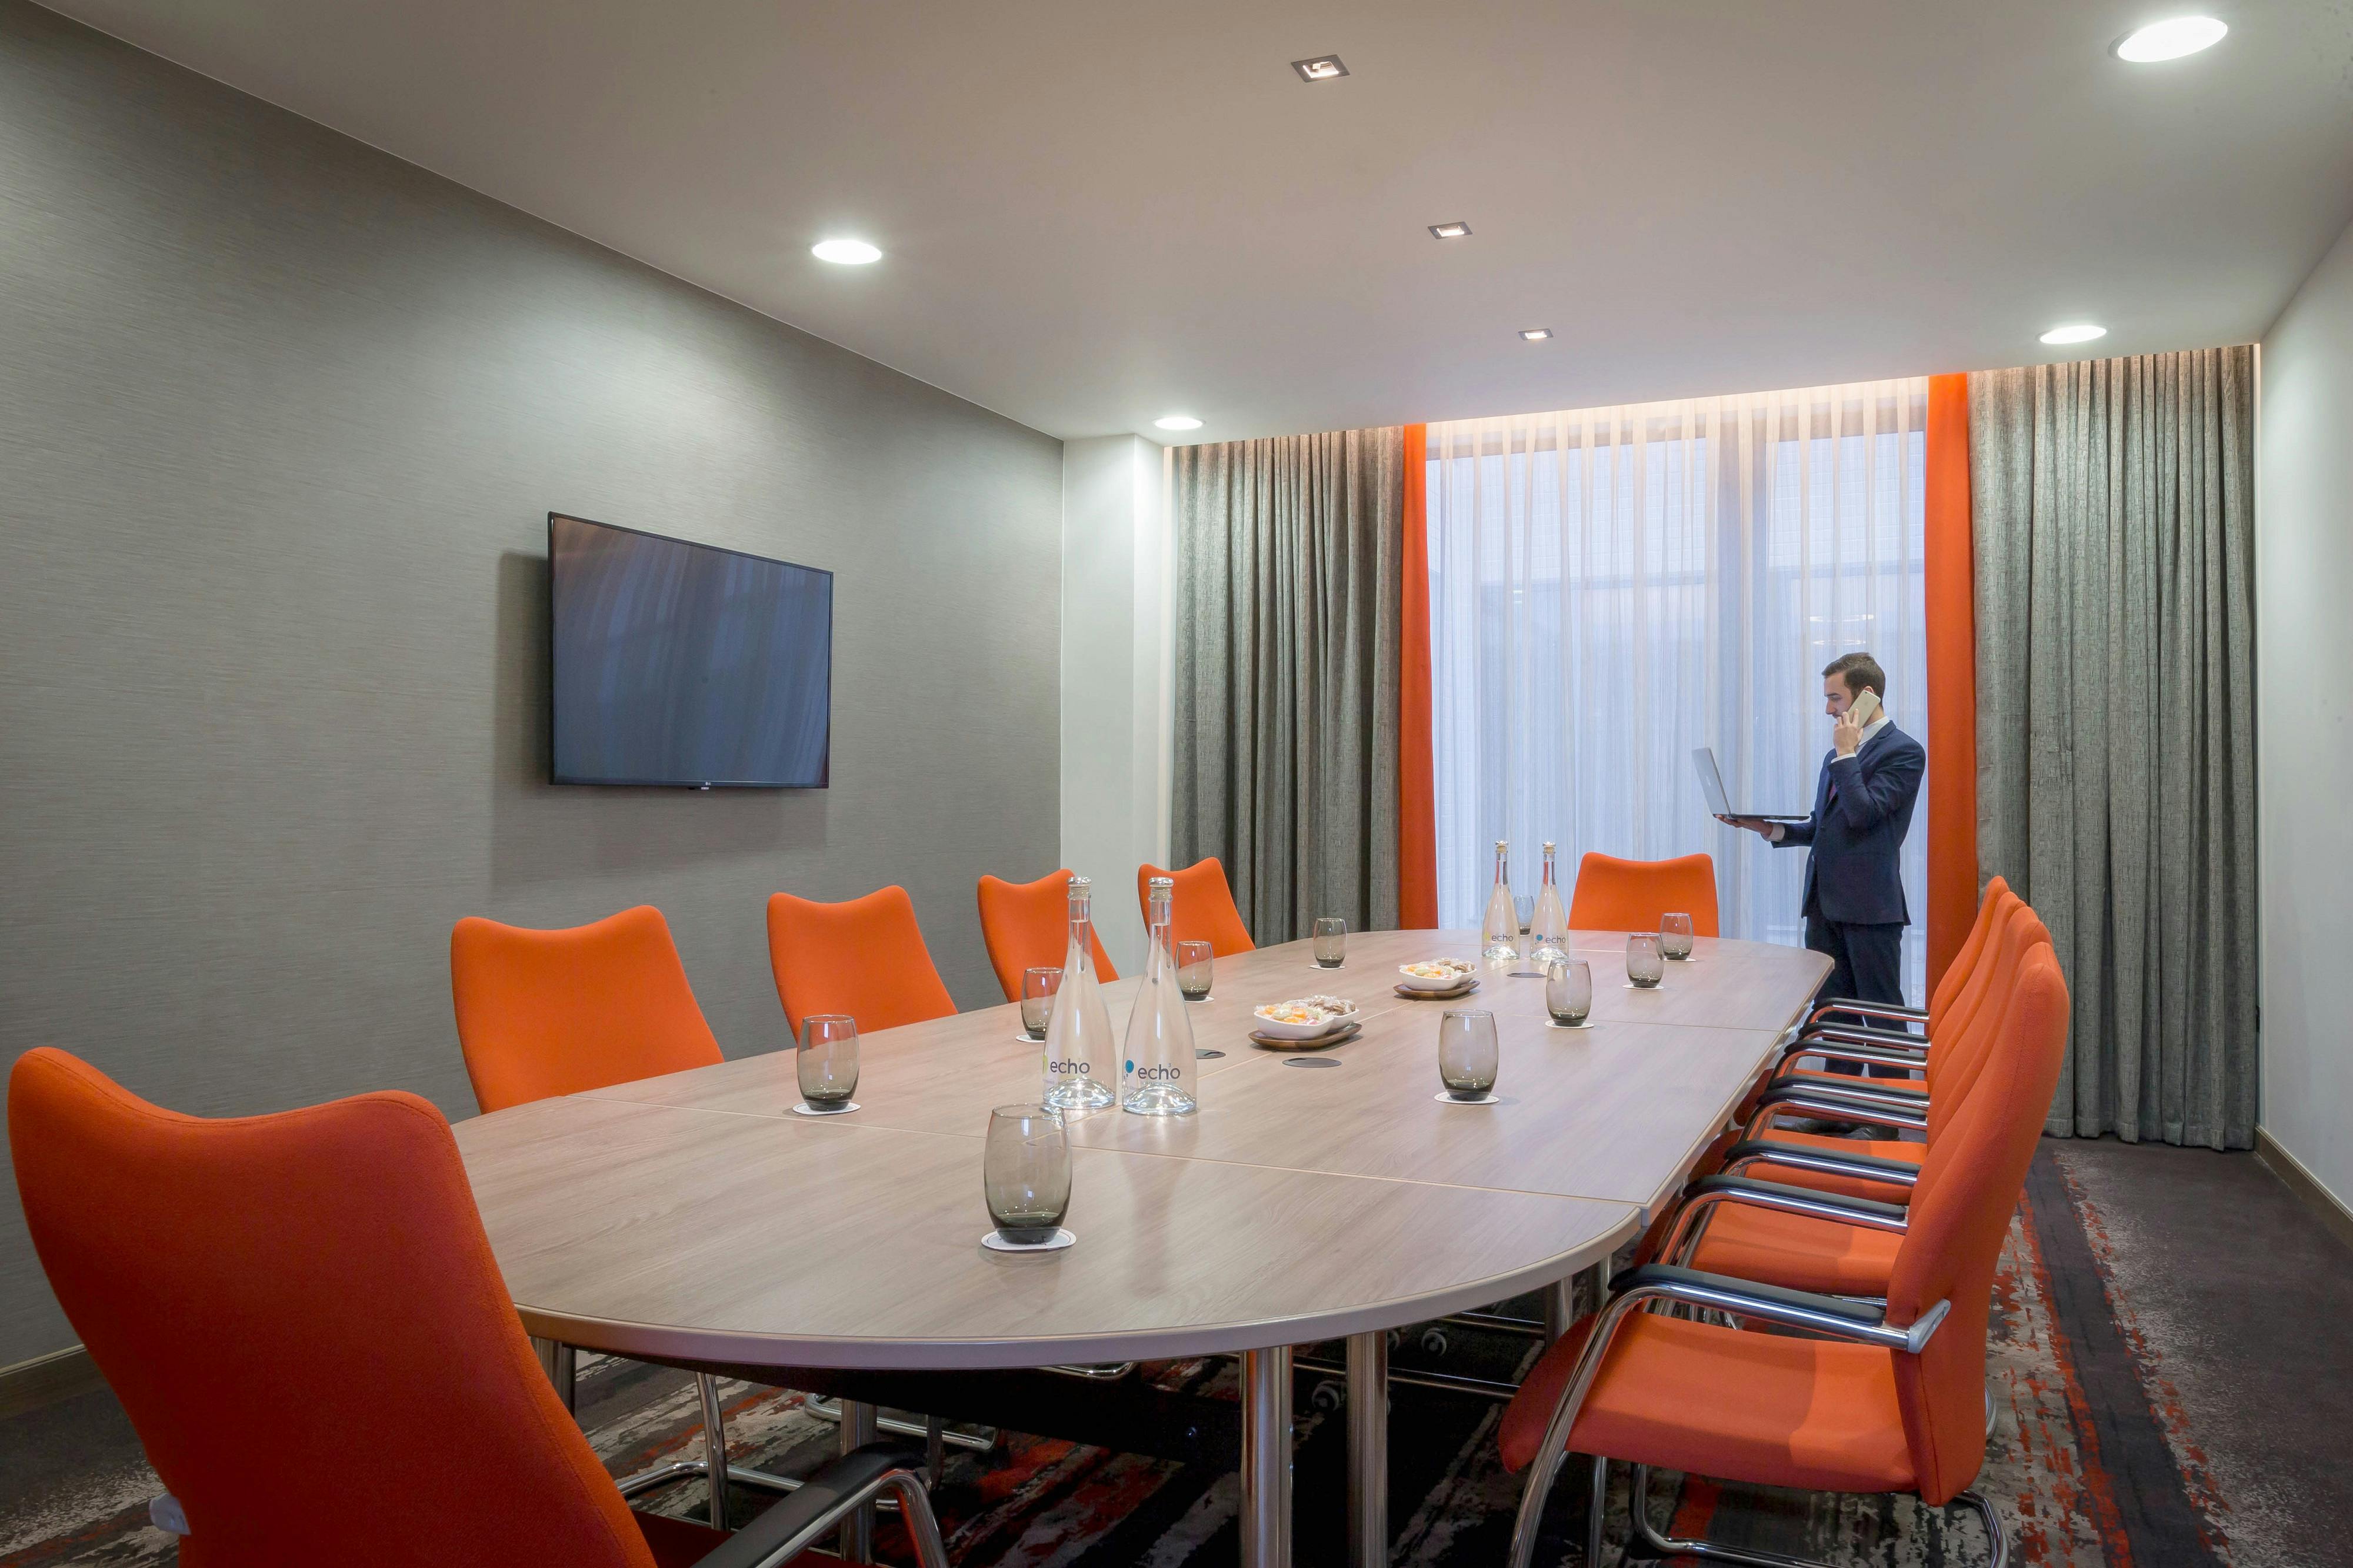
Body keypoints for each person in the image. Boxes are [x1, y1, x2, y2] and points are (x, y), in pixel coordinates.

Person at [1722, 652, 1925, 1077]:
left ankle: (1887, 1117)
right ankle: (1834, 1112)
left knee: (1881, 1013)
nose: (1828, 709)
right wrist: (1768, 828)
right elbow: (1825, 827)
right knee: (1833, 1014)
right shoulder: (1839, 753)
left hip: (1871, 908)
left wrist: (1847, 755)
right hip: (1825, 905)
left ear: (1866, 697)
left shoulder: (1903, 752)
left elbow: (1863, 814)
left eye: (1835, 698)